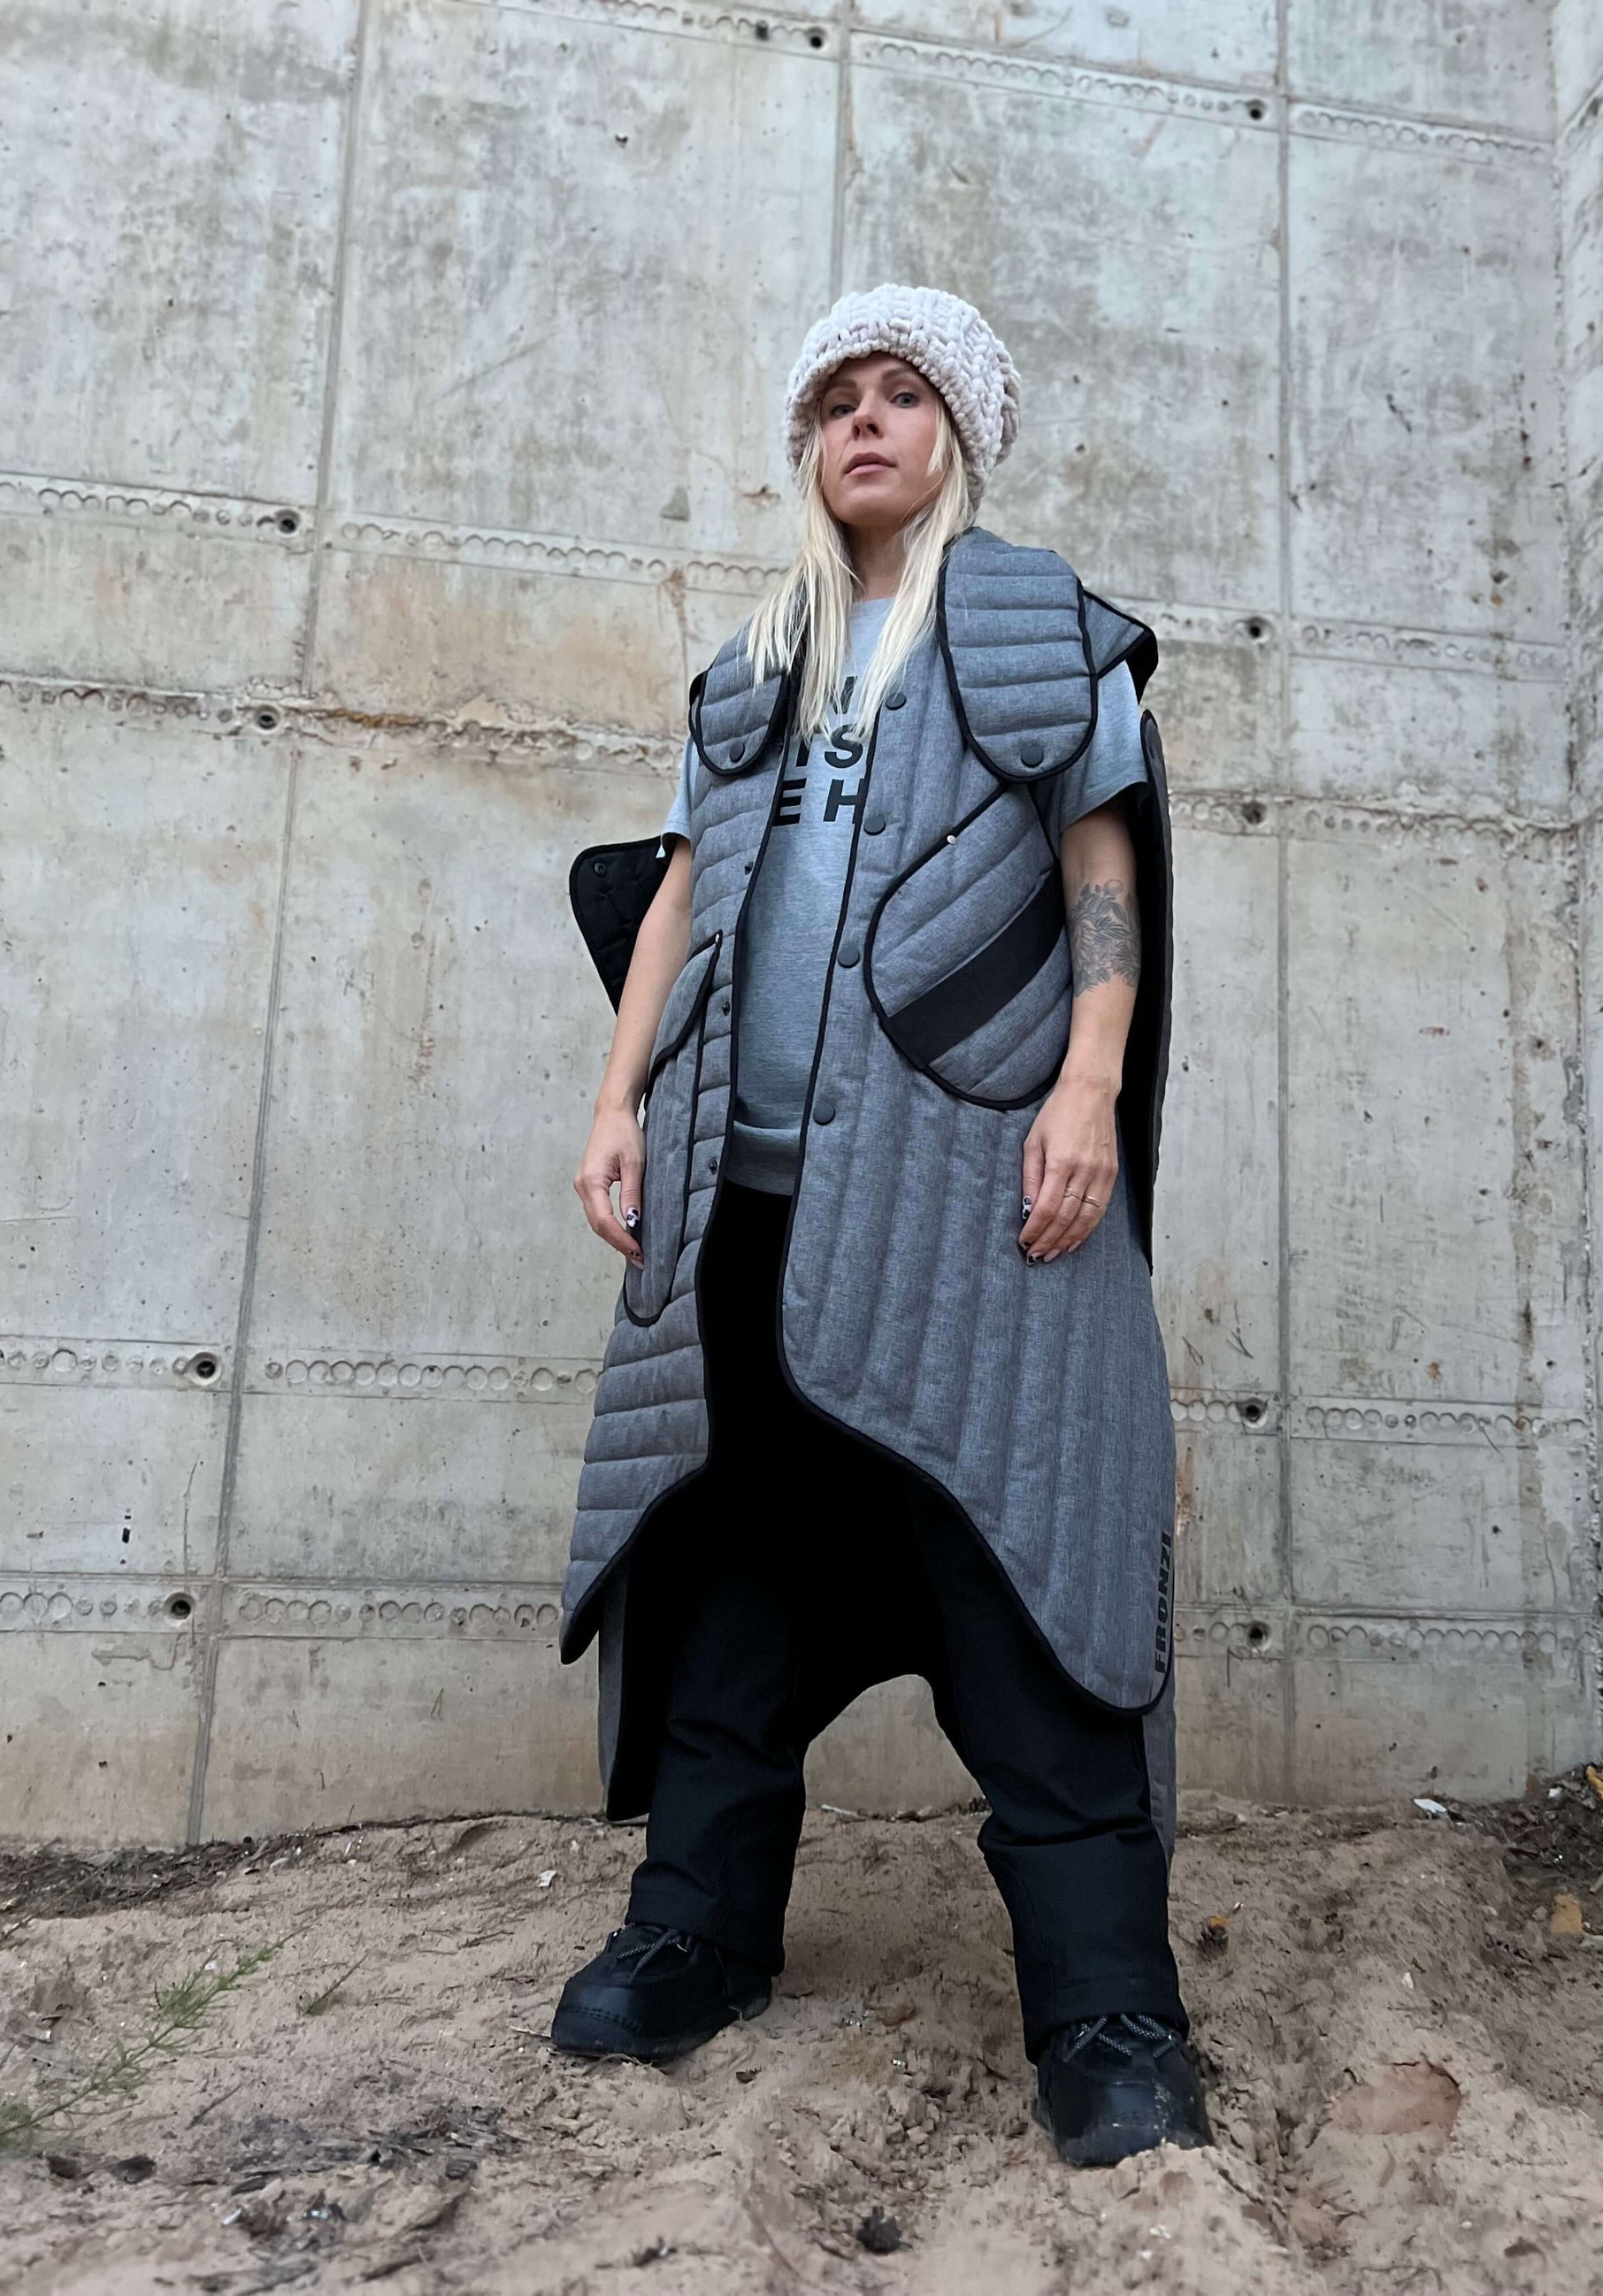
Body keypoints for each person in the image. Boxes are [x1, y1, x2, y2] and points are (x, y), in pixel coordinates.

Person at [552, 284, 1208, 2167]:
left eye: (901, 391)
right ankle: (697, 1927)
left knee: (1023, 1581)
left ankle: (1105, 2007)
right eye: (835, 395)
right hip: (747, 1214)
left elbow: (1103, 865)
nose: (865, 421)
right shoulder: (755, 654)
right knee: (733, 1576)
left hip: (967, 1210)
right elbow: (680, 893)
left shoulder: (1027, 625)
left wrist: (1085, 1088)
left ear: (958, 426)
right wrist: (617, 1104)